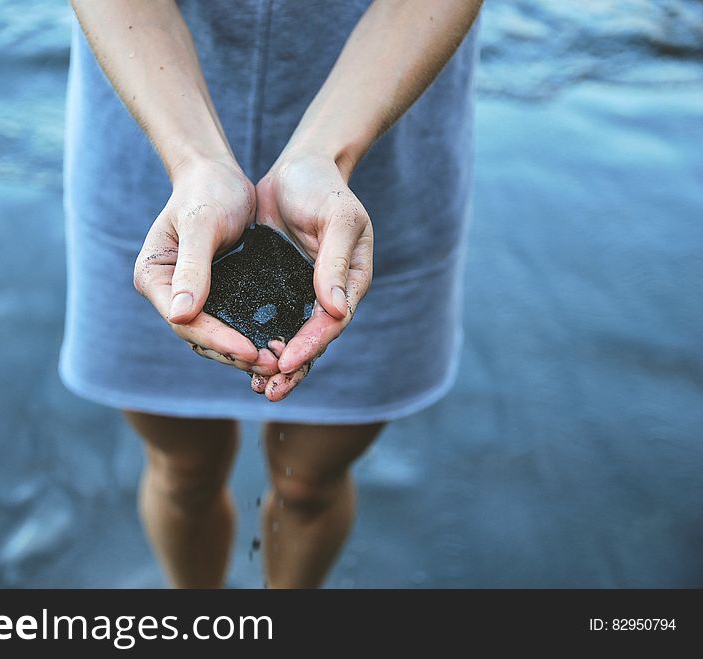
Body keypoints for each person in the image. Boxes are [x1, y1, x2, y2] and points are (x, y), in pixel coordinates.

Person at [60, 0, 482, 588]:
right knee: (182, 467)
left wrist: (326, 154)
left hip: (384, 134)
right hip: (153, 130)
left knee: (310, 482)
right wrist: (194, 162)